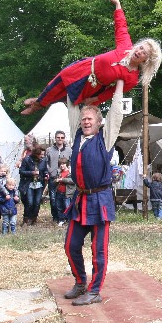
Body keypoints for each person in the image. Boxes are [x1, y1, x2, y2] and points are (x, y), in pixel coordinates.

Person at [21, 0, 162, 149]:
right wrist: (118, 6)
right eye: (140, 47)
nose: (139, 51)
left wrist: (96, 99)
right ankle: (38, 103)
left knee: (64, 97)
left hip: (93, 85)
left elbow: (113, 92)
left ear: (146, 60)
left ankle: (40, 102)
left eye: (144, 53)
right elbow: (121, 27)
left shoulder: (132, 78)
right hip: (85, 68)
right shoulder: (125, 47)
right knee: (56, 84)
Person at [62, 105, 116, 306]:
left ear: (99, 123)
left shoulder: (106, 139)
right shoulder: (78, 136)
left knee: (98, 250)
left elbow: (116, 114)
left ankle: (94, 292)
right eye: (83, 118)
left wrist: (119, 89)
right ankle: (80, 283)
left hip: (100, 200)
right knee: (71, 245)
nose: (85, 121)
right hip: (81, 199)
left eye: (90, 119)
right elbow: (72, 110)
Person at [42, 131, 72, 223]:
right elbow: (45, 162)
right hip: (53, 177)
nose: (60, 139)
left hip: (65, 178)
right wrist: (47, 172)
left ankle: (65, 217)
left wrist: (70, 171)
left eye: (62, 137)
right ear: (55, 138)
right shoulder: (49, 150)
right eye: (58, 137)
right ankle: (56, 217)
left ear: (64, 139)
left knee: (65, 199)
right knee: (53, 198)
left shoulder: (69, 150)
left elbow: (72, 162)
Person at [19, 145, 45, 226]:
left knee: (37, 202)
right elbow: (21, 171)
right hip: (29, 183)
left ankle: (34, 218)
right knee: (30, 202)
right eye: (40, 154)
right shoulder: (27, 159)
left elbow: (45, 170)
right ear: (36, 154)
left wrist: (46, 175)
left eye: (43, 154)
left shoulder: (43, 160)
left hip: (39, 184)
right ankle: (27, 218)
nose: (42, 156)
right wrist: (31, 173)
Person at [53, 156, 72, 225]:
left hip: (67, 193)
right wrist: (56, 180)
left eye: (63, 164)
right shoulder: (59, 172)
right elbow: (54, 180)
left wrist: (62, 179)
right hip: (59, 192)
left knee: (67, 207)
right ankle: (61, 219)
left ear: (66, 164)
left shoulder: (70, 172)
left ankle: (69, 220)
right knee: (59, 207)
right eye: (60, 164)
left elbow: (73, 181)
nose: (62, 166)